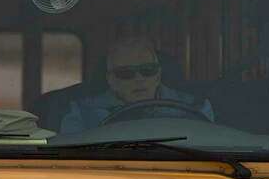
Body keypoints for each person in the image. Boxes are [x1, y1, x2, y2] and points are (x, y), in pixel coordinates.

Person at [60, 37, 214, 134]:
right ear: (110, 79)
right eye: (126, 73)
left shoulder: (196, 107)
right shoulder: (82, 113)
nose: (139, 79)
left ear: (158, 75)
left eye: (147, 71)